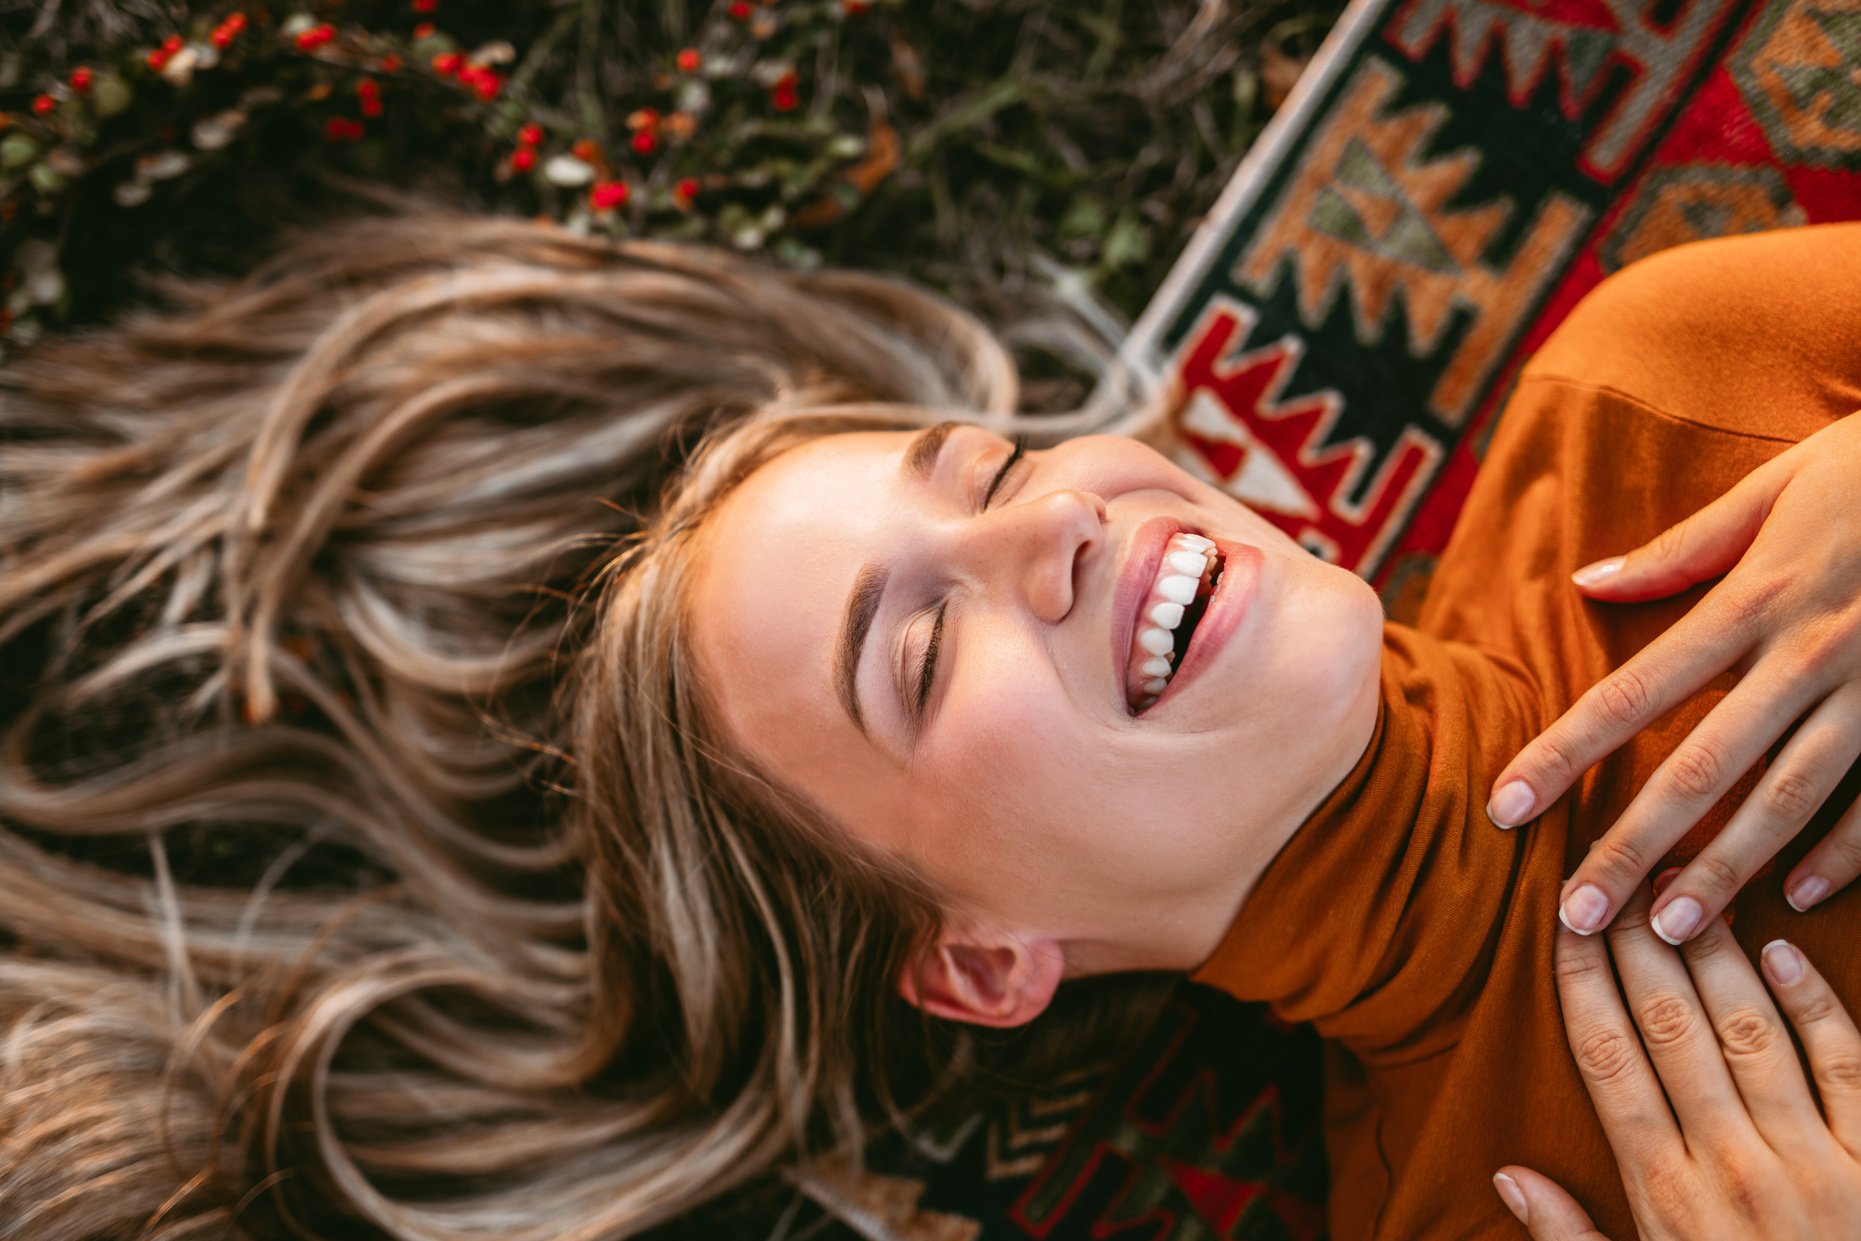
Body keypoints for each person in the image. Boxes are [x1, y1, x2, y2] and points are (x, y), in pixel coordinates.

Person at [0, 193, 1854, 1239]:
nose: (1053, 525)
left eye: (994, 470)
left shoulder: (1668, 392)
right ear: (978, 960)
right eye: (918, 655)